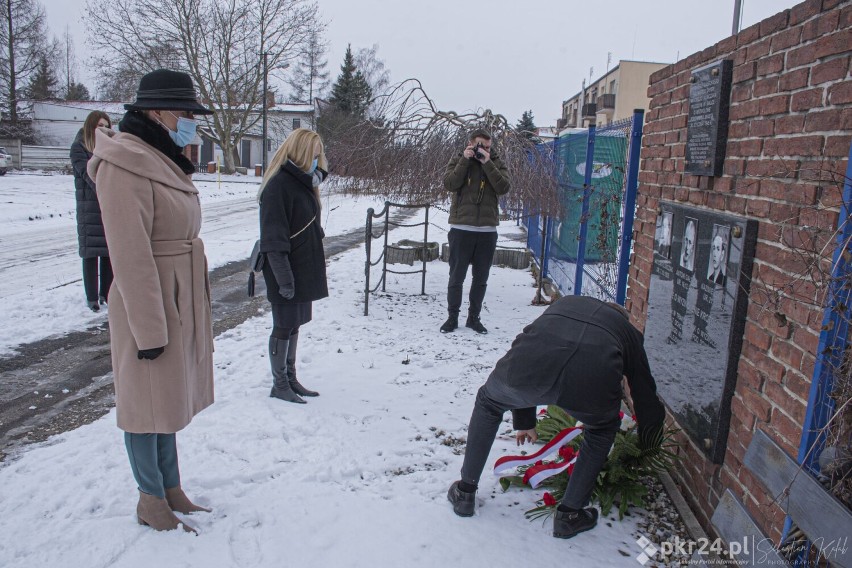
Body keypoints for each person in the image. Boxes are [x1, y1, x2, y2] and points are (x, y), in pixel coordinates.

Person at [88, 69, 215, 533]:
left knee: (167, 396)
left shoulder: (158, 155)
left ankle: (171, 487)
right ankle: (150, 498)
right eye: (184, 113)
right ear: (155, 111)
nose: (189, 122)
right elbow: (130, 254)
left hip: (174, 295)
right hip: (150, 299)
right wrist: (149, 328)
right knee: (145, 404)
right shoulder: (124, 163)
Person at [447, 296, 665, 540]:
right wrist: (648, 444)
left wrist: (525, 419)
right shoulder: (627, 332)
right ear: (620, 318)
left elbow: (528, 346)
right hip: (591, 381)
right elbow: (645, 394)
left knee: (489, 402)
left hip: (528, 369)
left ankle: (465, 492)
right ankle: (569, 515)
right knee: (602, 430)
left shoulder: (566, 303)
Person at [257, 128, 329, 404]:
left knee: (295, 324)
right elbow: (273, 241)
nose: (317, 161)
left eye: (319, 156)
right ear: (300, 154)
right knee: (283, 325)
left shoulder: (303, 183)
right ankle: (279, 384)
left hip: (301, 267)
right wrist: (285, 280)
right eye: (314, 155)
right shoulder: (279, 186)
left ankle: (290, 378)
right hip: (284, 269)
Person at [440, 129, 510, 334]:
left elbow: (503, 187)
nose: (484, 150)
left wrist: (487, 162)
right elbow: (450, 183)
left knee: (480, 279)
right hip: (461, 228)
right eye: (480, 146)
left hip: (487, 231)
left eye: (488, 147)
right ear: (471, 144)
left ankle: (473, 318)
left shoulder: (495, 162)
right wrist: (465, 160)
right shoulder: (459, 159)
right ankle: (452, 318)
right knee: (456, 277)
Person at [70, 111, 114, 312]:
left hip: (109, 206)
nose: (103, 129)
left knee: (108, 252)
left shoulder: (111, 149)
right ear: (90, 127)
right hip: (90, 208)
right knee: (90, 254)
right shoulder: (79, 147)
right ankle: (92, 297)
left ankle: (106, 293)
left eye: (106, 125)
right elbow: (88, 175)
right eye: (99, 126)